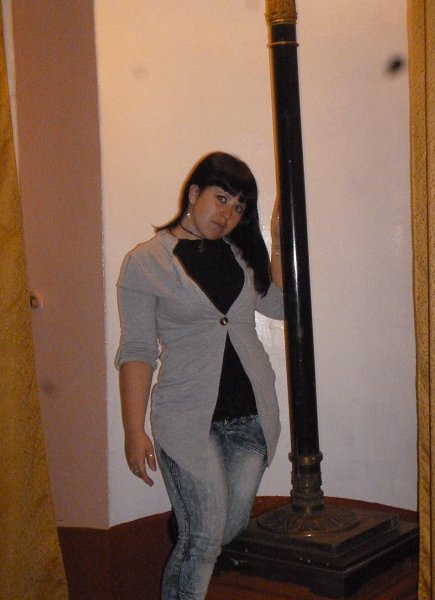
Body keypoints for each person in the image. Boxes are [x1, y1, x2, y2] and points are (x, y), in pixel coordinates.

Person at [115, 151, 283, 600]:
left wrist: (277, 239)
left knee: (226, 528)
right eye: (221, 199)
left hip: (252, 419)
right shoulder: (145, 262)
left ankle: (189, 523)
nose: (228, 214)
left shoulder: (241, 257)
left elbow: (284, 306)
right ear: (194, 193)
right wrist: (133, 430)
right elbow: (137, 351)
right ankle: (191, 532)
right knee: (205, 538)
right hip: (189, 421)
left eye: (238, 207)